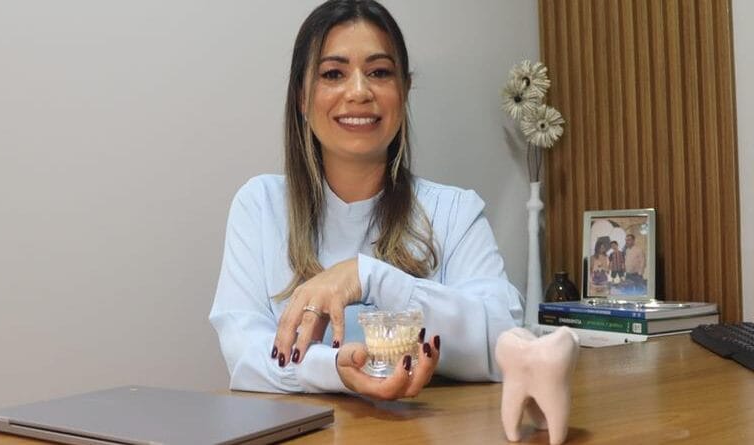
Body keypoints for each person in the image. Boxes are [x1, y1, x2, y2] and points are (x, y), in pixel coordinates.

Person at [209, 0, 523, 401]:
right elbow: (244, 355)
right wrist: (336, 369)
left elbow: (505, 343)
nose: (359, 92)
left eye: (379, 72)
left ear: (403, 90)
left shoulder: (455, 211)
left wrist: (369, 277)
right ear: (302, 96)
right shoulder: (260, 206)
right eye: (333, 74)